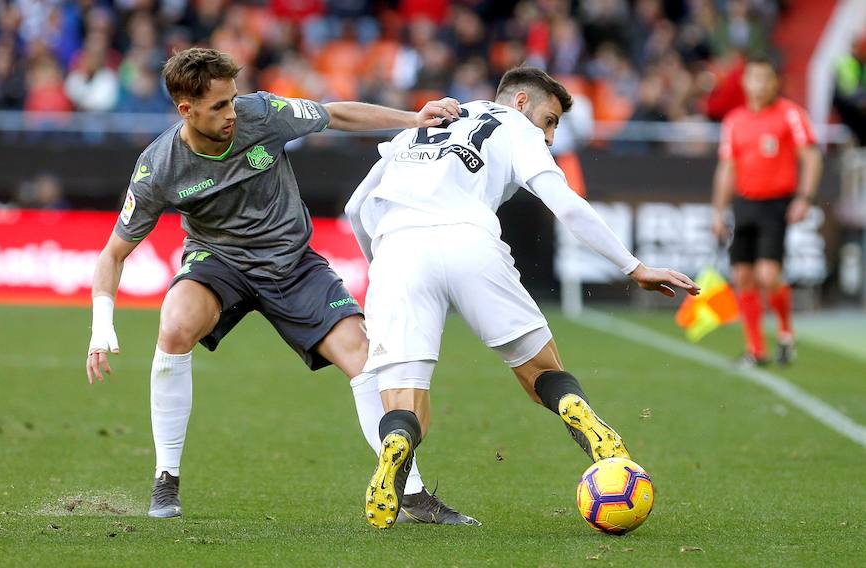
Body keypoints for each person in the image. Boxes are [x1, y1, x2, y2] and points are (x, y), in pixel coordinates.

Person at [85, 47, 478, 525]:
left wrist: (413, 119)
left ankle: (411, 493)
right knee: (174, 326)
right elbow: (113, 254)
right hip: (219, 263)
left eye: (232, 100)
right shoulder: (159, 167)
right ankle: (166, 480)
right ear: (185, 110)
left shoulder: (262, 113)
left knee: (363, 355)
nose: (232, 113)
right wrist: (101, 323)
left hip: (292, 263)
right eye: (218, 107)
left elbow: (335, 114)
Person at [344, 66, 700, 529]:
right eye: (550, 120)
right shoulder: (514, 126)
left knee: (403, 404)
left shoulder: (424, 122)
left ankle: (396, 445)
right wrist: (634, 267)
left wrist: (382, 266)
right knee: (542, 372)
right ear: (519, 103)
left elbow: (356, 206)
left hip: (396, 248)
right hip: (470, 238)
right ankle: (578, 412)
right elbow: (565, 202)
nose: (550, 136)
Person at [711, 56, 822, 367]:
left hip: (776, 203)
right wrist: (718, 212)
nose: (759, 84)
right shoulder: (734, 120)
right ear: (744, 82)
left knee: (767, 274)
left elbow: (811, 158)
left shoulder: (791, 115)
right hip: (744, 203)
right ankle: (755, 349)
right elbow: (726, 168)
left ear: (775, 82)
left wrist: (805, 197)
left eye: (765, 78)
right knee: (742, 275)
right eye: (753, 78)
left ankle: (785, 332)